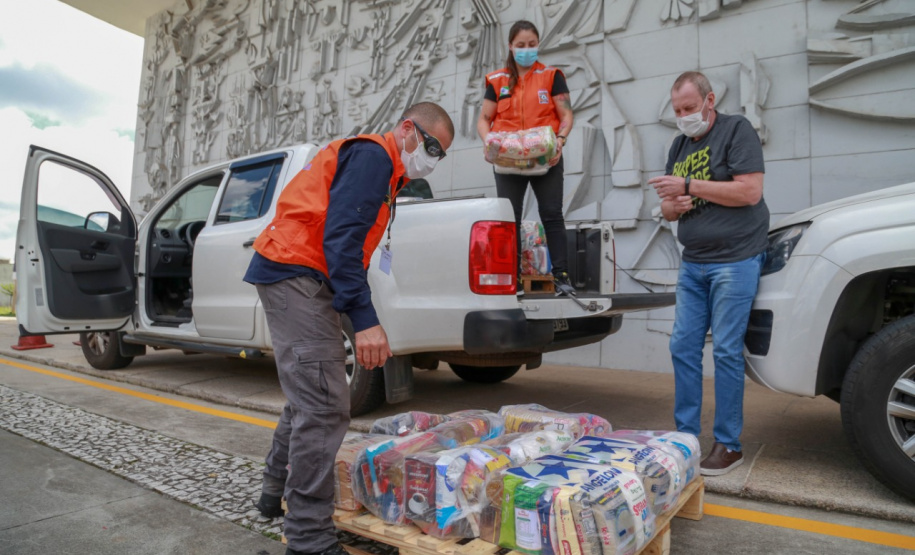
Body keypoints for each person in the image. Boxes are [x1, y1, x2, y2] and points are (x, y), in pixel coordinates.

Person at [244, 102, 454, 555]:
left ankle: (272, 490)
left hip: (303, 271)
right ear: (406, 130)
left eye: (441, 153)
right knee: (323, 404)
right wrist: (365, 321)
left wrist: (364, 314)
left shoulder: (387, 173)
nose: (432, 158)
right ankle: (308, 540)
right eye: (431, 145)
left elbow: (346, 247)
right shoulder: (375, 157)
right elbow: (341, 237)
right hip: (295, 270)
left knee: (312, 388)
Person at [648, 71, 768, 477]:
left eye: (689, 107)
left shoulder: (737, 130)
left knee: (726, 351)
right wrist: (672, 206)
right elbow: (667, 208)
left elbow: (750, 191)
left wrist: (690, 185)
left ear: (709, 99)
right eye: (677, 110)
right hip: (694, 261)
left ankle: (728, 444)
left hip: (735, 259)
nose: (683, 116)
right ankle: (685, 439)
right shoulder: (679, 144)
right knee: (682, 347)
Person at [477, 20, 575, 296]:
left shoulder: (551, 75)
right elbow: (484, 119)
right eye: (521, 45)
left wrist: (560, 141)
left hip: (545, 158)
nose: (527, 50)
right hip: (507, 161)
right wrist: (490, 143)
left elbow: (566, 114)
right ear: (510, 46)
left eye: (532, 44)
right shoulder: (496, 81)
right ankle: (514, 281)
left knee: (552, 215)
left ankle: (562, 278)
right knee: (510, 220)